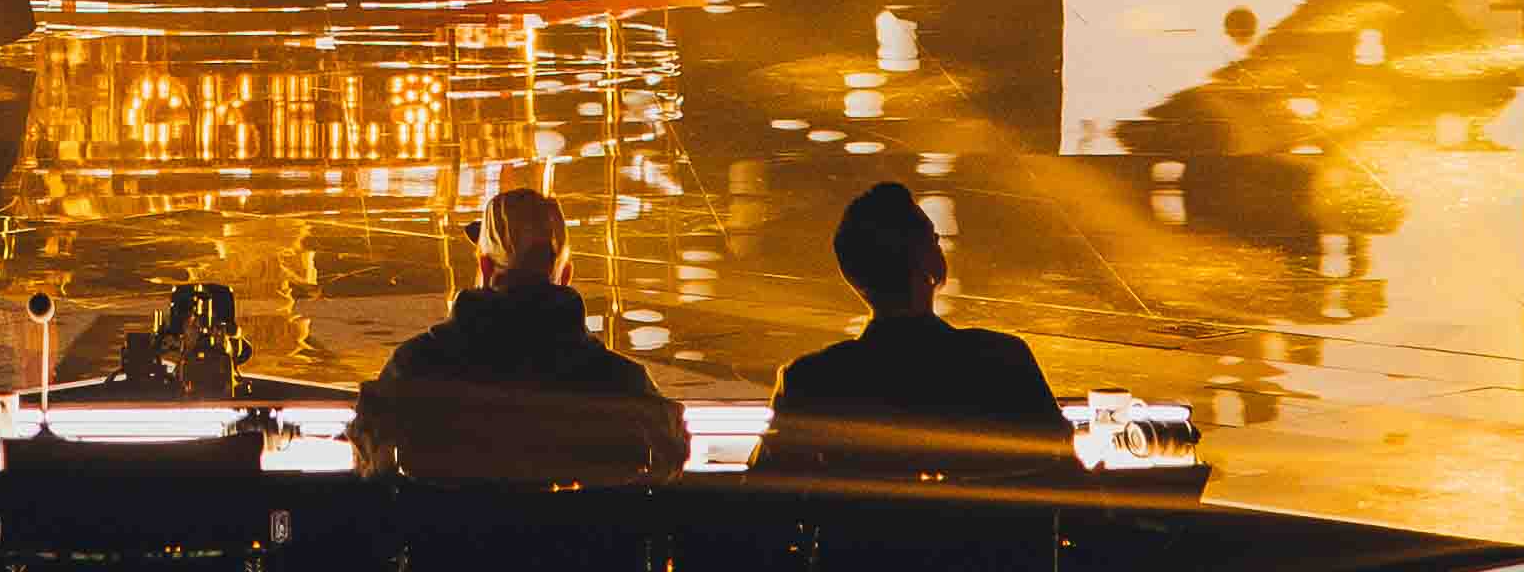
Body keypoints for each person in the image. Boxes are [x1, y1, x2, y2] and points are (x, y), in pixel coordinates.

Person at [350, 185, 685, 484]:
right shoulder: (628, 388)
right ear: (565, 276)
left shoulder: (411, 370)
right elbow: (666, 464)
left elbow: (372, 464)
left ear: (484, 268)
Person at [754, 183, 1073, 484]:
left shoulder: (808, 382)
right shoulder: (1004, 361)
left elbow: (764, 494)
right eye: (934, 238)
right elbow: (1062, 473)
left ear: (852, 275)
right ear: (928, 261)